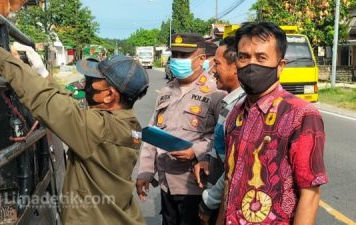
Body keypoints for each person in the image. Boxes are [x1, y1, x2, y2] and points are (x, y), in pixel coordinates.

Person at [0, 39, 149, 225]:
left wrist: (0, 55)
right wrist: (43, 73)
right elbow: (69, 108)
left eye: (93, 80)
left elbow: (46, 101)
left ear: (109, 95)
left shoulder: (98, 129)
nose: (86, 82)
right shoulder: (127, 123)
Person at [216, 22, 328, 225]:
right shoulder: (235, 115)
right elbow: (229, 183)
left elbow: (310, 194)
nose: (251, 65)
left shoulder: (301, 116)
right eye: (244, 57)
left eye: (261, 58)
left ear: (280, 66)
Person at [136, 33, 225, 225]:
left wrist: (196, 151)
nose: (177, 60)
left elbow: (223, 138)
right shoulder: (167, 90)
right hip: (166, 184)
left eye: (183, 55)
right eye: (174, 54)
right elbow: (153, 134)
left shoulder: (215, 92)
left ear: (201, 59)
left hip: (194, 186)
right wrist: (145, 172)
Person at [193, 37, 245, 225]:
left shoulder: (239, 108)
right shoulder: (228, 102)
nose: (212, 70)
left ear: (236, 67)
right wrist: (208, 159)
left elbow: (233, 168)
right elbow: (222, 151)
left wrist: (208, 203)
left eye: (217, 64)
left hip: (224, 205)